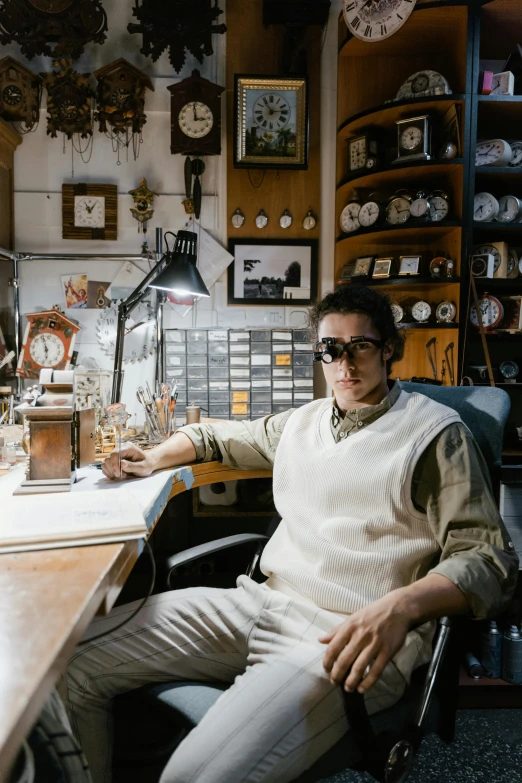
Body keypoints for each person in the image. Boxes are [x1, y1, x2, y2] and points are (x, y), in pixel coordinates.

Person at [66, 286, 519, 783]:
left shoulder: (435, 435)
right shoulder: (302, 422)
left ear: (390, 349)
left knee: (192, 778)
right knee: (64, 665)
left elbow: (488, 560)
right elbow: (213, 436)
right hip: (260, 603)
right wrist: (153, 456)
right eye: (331, 349)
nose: (344, 363)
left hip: (347, 636)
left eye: (361, 346)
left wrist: (403, 608)